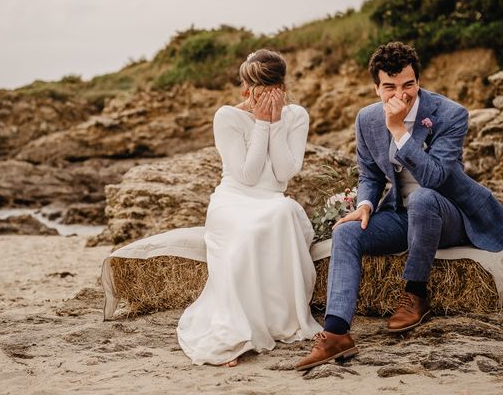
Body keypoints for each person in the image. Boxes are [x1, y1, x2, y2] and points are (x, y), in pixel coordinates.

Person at [295, 41, 503, 371]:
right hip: (403, 214)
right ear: (376, 87)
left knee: (423, 198)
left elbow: (435, 178)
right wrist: (364, 203)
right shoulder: (367, 119)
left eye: (408, 85)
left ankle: (416, 293)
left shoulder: (450, 114)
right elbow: (370, 174)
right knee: (348, 232)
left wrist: (398, 128)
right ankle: (335, 334)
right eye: (389, 86)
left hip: (454, 213)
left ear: (417, 81)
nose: (401, 94)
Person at [177, 49, 322, 367]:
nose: (255, 95)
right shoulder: (226, 117)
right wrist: (260, 124)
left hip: (272, 200)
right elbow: (247, 174)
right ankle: (237, 329)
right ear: (245, 87)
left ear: (282, 88)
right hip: (233, 200)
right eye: (253, 88)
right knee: (249, 231)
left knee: (283, 213)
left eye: (270, 89)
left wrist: (275, 124)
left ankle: (279, 318)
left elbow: (284, 174)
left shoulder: (296, 116)